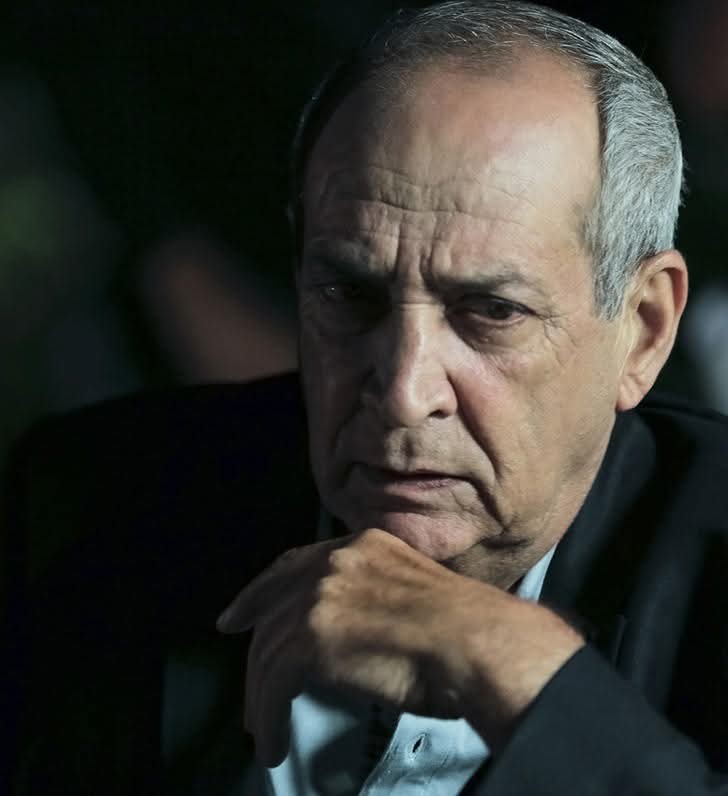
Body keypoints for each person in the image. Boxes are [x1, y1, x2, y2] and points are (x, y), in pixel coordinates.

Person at [4, 1, 728, 794]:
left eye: (492, 312)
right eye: (350, 294)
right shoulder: (84, 506)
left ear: (643, 331)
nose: (405, 393)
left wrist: (527, 679)